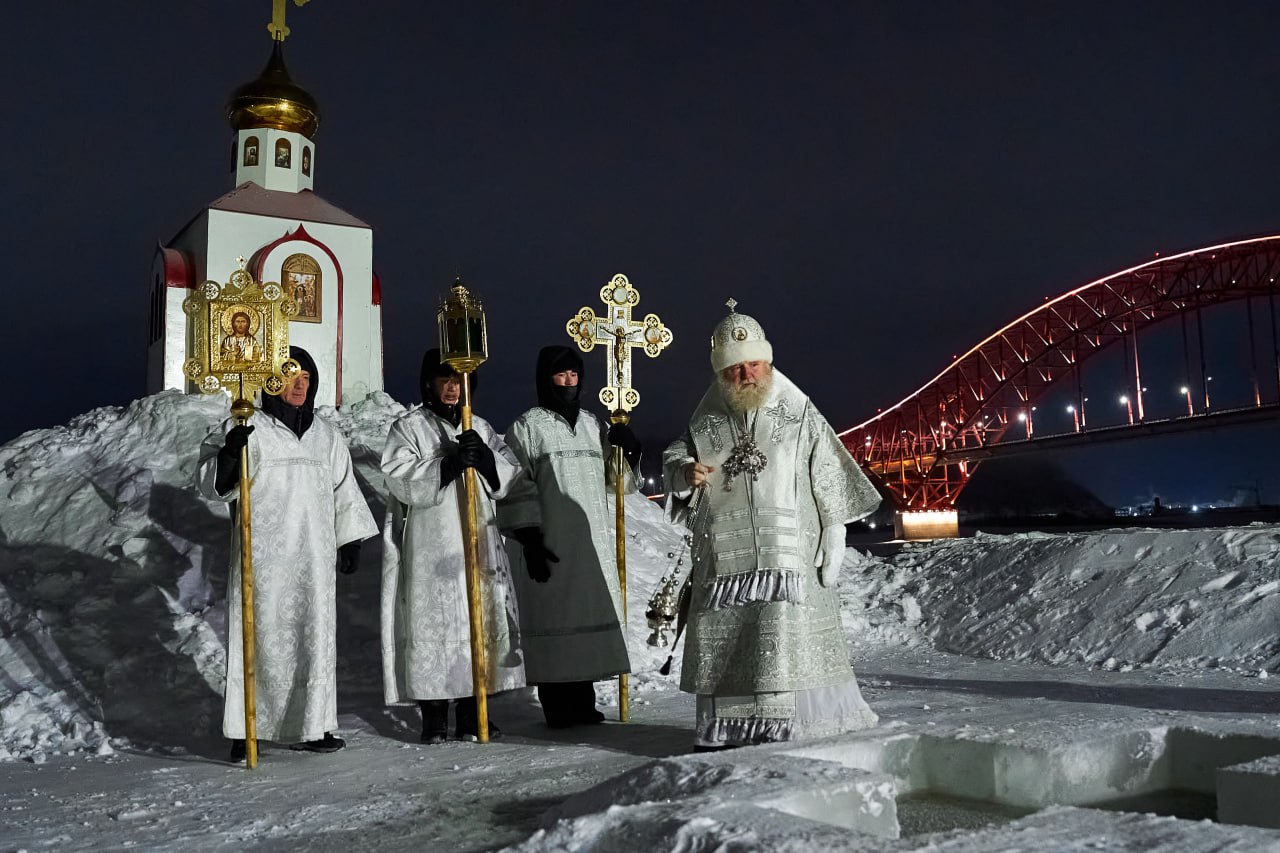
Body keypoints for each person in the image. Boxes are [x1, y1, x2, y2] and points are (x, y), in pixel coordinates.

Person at [661, 303, 882, 750]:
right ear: (720, 373)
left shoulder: (799, 411)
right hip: (725, 561)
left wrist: (835, 528)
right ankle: (729, 730)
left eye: (754, 365)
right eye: (735, 368)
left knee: (783, 638)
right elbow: (674, 455)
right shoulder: (705, 419)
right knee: (732, 641)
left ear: (768, 362)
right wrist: (684, 470)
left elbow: (829, 468)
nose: (746, 375)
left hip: (790, 556)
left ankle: (790, 727)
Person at [196, 346, 377, 761]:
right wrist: (229, 453)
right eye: (291, 375)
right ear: (272, 381)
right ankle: (248, 729)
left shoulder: (326, 436)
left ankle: (311, 726)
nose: (299, 385)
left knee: (313, 641)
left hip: (314, 560)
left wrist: (349, 540)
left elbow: (344, 490)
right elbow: (211, 484)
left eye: (306, 378)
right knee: (257, 639)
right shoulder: (245, 424)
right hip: (263, 559)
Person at [379, 349, 525, 743]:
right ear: (429, 383)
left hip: (478, 539)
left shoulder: (479, 425)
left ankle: (472, 711)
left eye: (459, 381)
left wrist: (487, 461)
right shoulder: (409, 428)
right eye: (444, 379)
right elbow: (397, 475)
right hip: (432, 540)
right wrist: (447, 464)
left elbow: (509, 474)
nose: (452, 388)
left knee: (476, 618)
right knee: (435, 620)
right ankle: (434, 714)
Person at [499, 346, 640, 727]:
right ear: (546, 379)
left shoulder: (594, 425)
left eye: (574, 375)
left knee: (586, 615)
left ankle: (583, 701)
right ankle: (557, 705)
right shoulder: (527, 427)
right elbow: (516, 484)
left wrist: (628, 450)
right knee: (555, 619)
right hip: (551, 541)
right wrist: (529, 538)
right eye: (560, 375)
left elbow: (618, 483)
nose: (568, 382)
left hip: (590, 542)